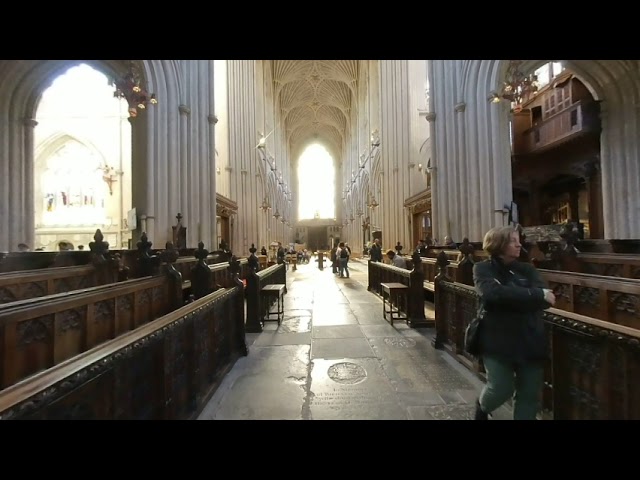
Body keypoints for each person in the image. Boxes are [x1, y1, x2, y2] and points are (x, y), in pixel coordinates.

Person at [472, 226, 556, 421]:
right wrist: (533, 295)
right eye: (512, 241)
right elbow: (491, 294)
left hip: (530, 336)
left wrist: (515, 296)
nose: (519, 244)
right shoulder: (483, 268)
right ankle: (482, 407)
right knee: (501, 387)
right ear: (498, 244)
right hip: (496, 338)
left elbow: (547, 299)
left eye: (518, 240)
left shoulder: (526, 269)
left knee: (529, 394)